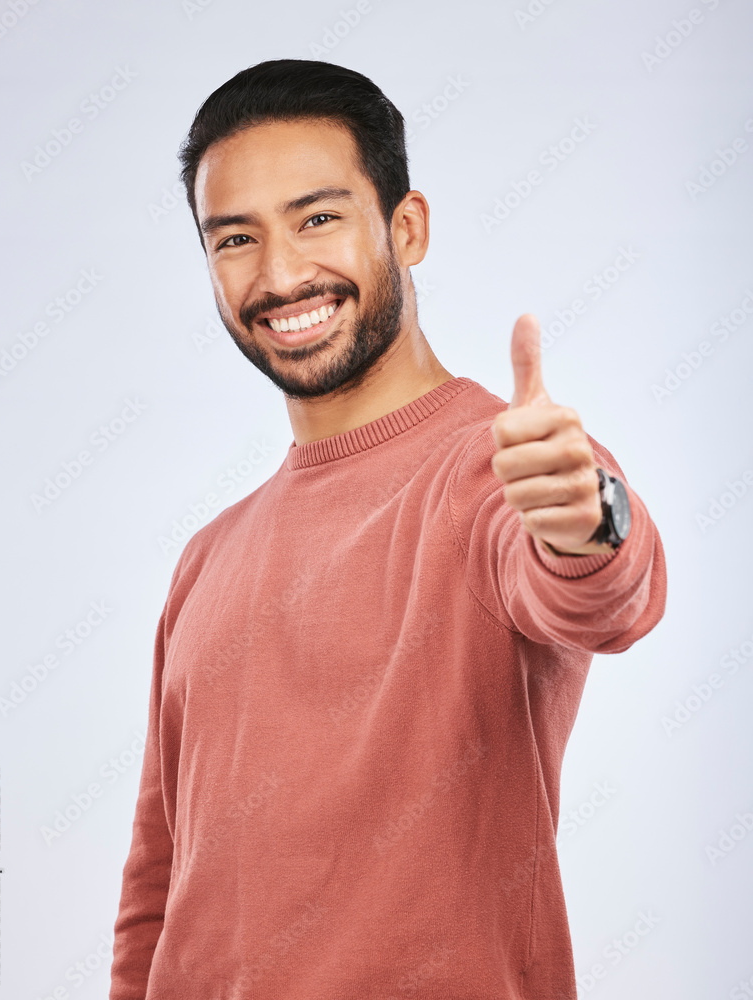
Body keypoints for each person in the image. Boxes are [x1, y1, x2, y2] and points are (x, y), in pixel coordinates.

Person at [109, 59, 667, 1000]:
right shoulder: (204, 559)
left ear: (404, 228)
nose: (281, 275)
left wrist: (588, 519)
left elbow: (601, 590)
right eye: (235, 238)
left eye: (318, 218)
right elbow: (157, 887)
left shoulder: (490, 472)